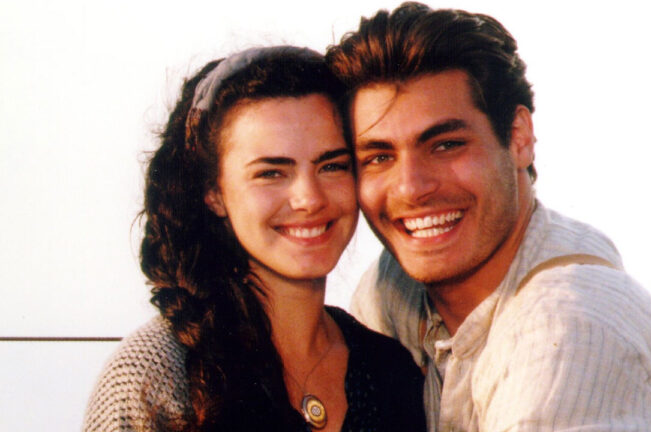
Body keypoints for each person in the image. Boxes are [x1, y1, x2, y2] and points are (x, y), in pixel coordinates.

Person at [327, 3, 651, 431]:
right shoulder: (392, 288)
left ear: (519, 137)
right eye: (378, 157)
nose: (411, 188)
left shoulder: (566, 331)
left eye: (446, 145)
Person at [83, 46, 426, 432]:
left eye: (332, 166)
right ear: (214, 191)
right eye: (271, 173)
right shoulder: (154, 375)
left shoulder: (391, 372)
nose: (309, 199)